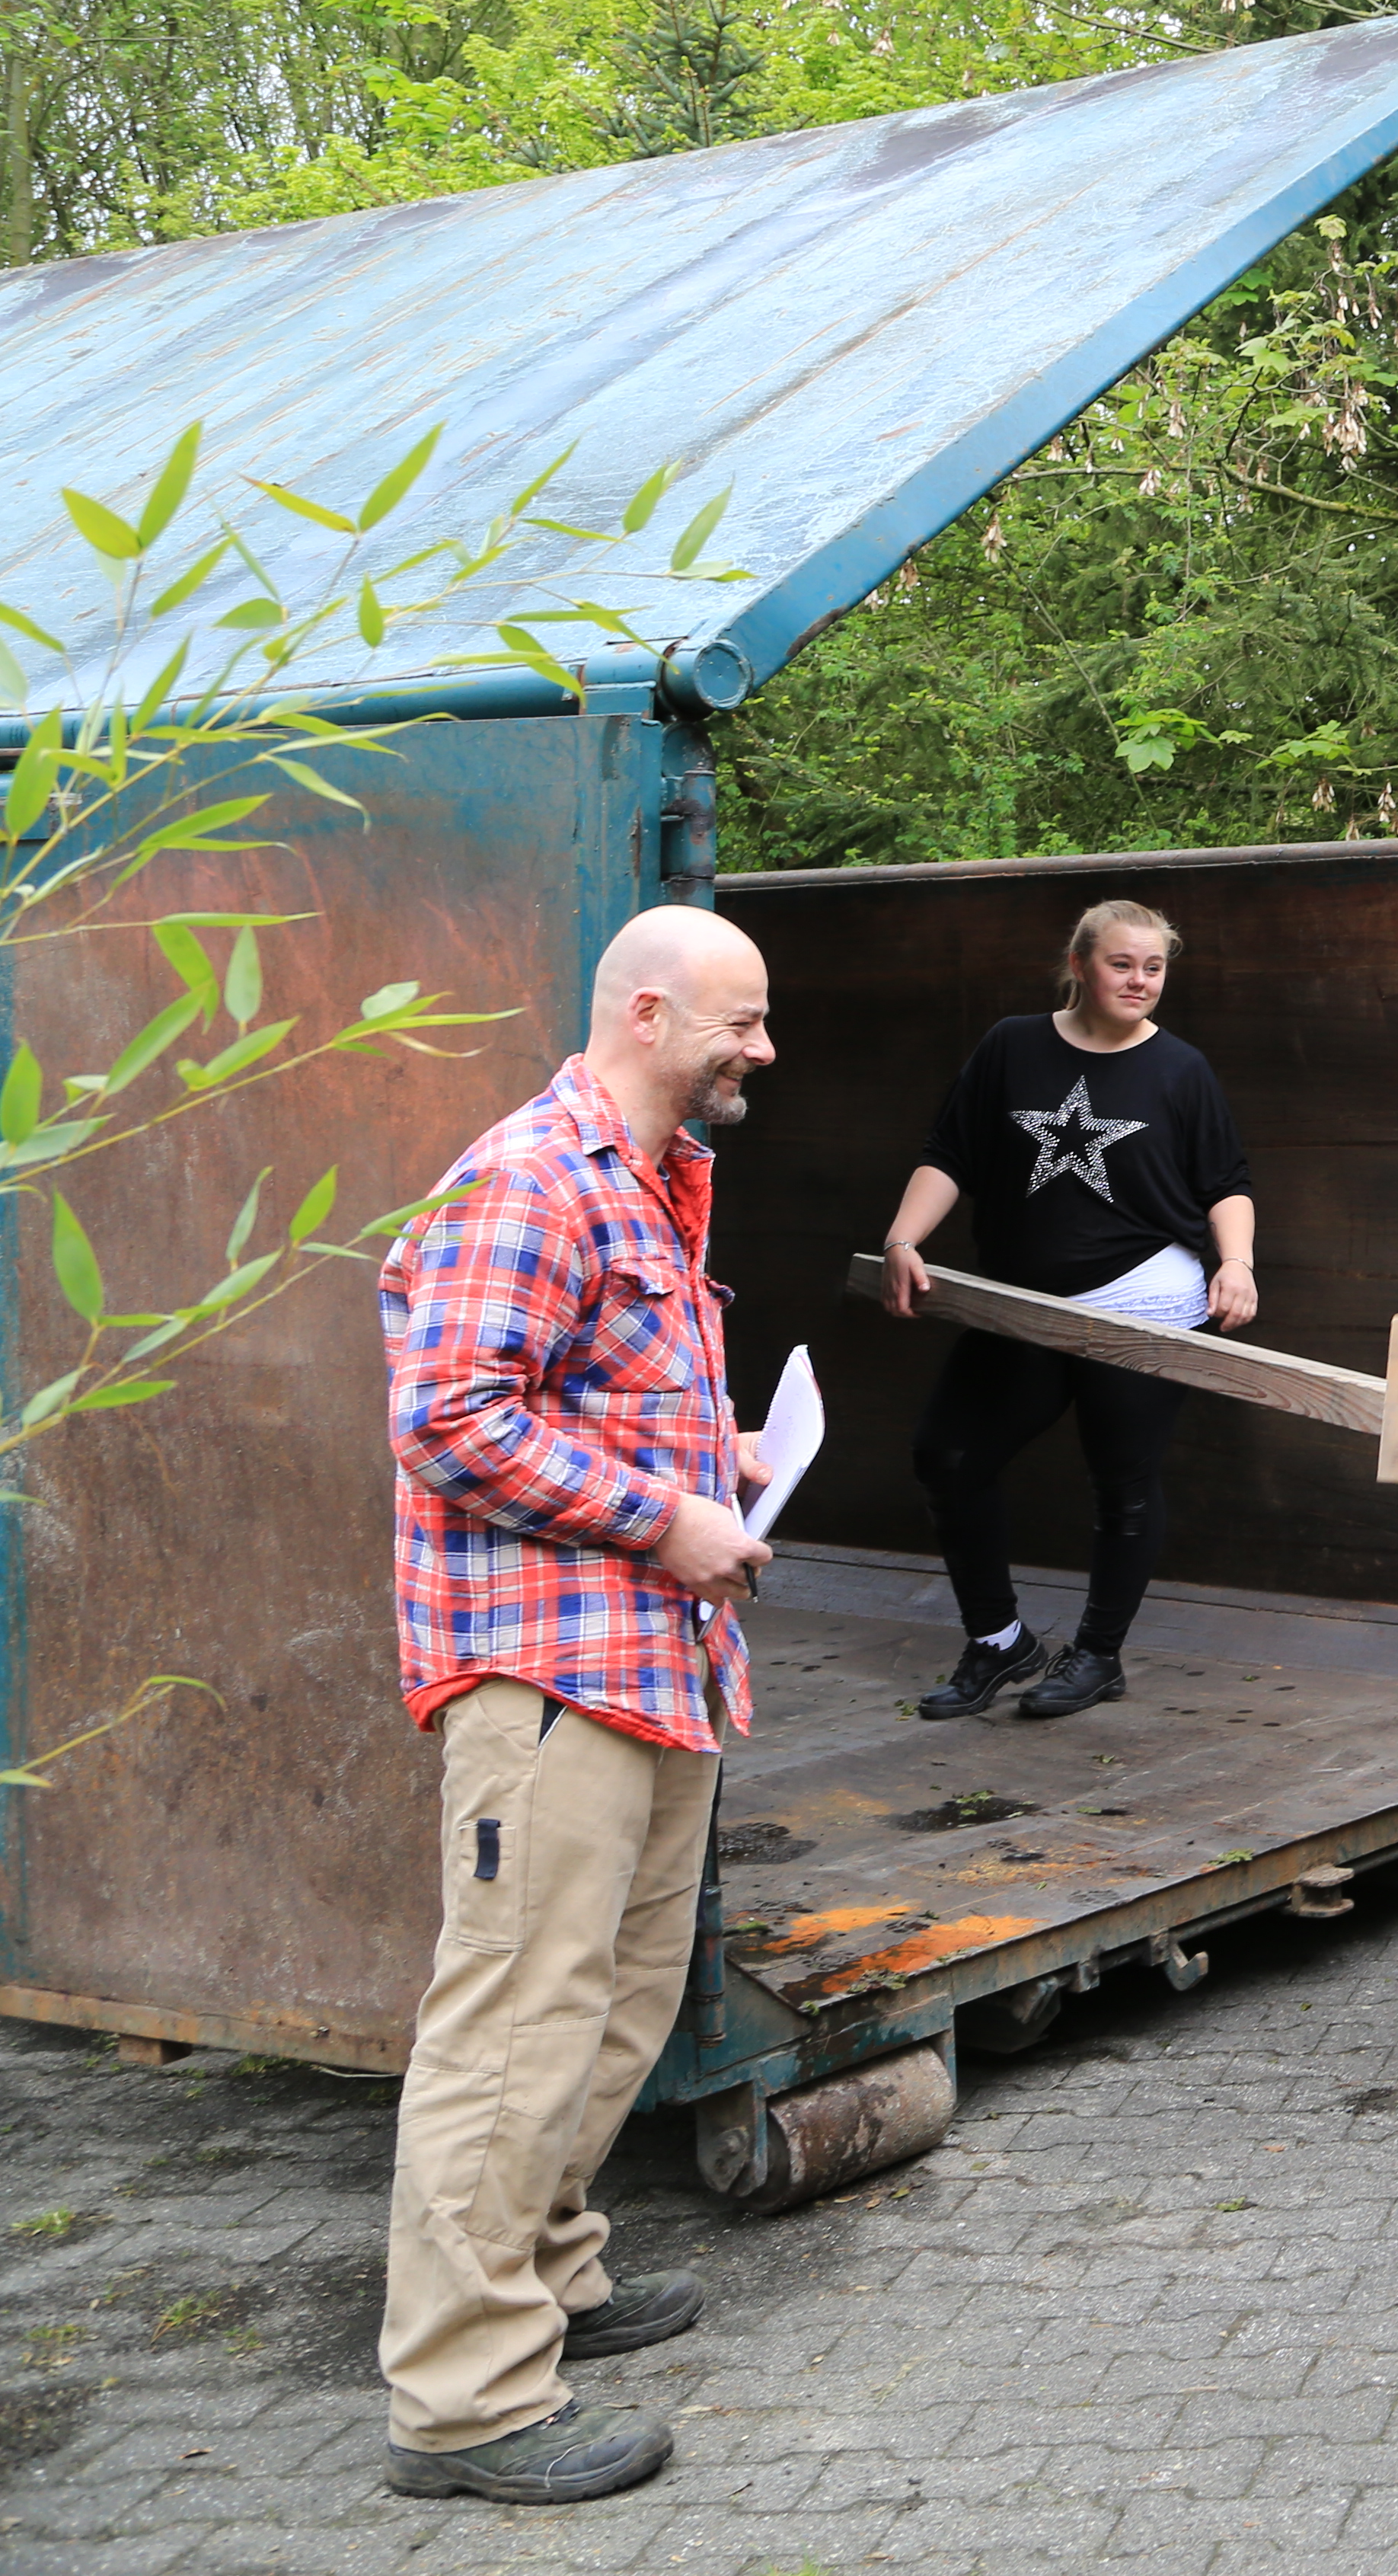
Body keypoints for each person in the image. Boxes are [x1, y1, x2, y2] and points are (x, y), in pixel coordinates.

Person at [374, 906, 781, 2504]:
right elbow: (453, 1416)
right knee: (517, 2020)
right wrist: (665, 1518)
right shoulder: (535, 1175)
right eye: (741, 1024)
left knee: (615, 2002)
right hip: (547, 1668)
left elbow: (584, 1391)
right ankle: (465, 2403)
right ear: (653, 1012)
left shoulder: (646, 1179)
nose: (762, 1050)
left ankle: (546, 2268)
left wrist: (718, 1460)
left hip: (646, 1660)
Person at [879, 900, 1254, 1724]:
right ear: (1081, 964)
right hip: (1021, 1307)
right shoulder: (1012, 1046)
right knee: (948, 1455)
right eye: (1123, 964)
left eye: (1153, 968)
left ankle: (1098, 1655)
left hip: (1145, 1300)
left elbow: (1226, 1182)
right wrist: (903, 1240)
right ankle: (1000, 1639)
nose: (1139, 982)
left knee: (1121, 1482)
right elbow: (950, 1154)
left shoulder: (1181, 1070)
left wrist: (1236, 1263)